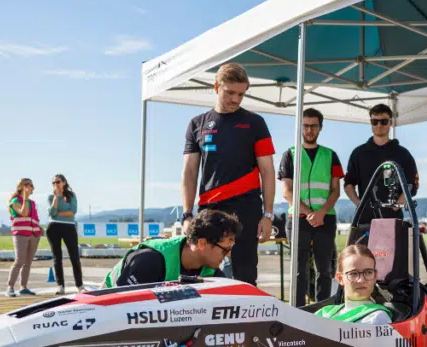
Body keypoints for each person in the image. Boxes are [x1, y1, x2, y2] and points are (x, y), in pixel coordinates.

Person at [182, 63, 275, 286]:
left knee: (244, 274)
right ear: (216, 87)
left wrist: (268, 215)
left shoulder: (255, 123)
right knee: (202, 274)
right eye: (230, 92)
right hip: (209, 210)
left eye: (241, 94)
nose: (236, 99)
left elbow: (268, 171)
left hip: (246, 207)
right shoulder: (197, 124)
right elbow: (190, 171)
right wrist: (187, 214)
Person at [278, 108, 343, 307]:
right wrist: (310, 213)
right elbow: (287, 192)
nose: (309, 130)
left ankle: (323, 309)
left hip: (326, 218)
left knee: (325, 269)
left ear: (320, 128)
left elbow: (335, 191)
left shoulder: (331, 155)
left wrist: (321, 213)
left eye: (314, 126)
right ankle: (297, 311)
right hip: (298, 219)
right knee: (299, 270)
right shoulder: (289, 155)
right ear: (300, 127)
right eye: (305, 126)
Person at [101, 210, 241, 287]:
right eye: (225, 249)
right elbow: (122, 307)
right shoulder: (150, 260)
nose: (228, 255)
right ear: (202, 244)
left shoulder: (211, 270)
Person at [343, 104, 418, 227]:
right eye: (375, 121)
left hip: (393, 221)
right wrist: (359, 204)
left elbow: (411, 185)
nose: (379, 125)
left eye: (383, 121)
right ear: (371, 123)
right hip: (365, 221)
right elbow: (348, 183)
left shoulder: (403, 154)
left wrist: (395, 207)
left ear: (391, 123)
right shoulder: (359, 153)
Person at [315, 245, 393, 324]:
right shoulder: (323, 313)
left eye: (368, 272)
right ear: (340, 278)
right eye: (354, 273)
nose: (361, 280)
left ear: (375, 276)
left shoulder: (377, 317)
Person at [46, 174, 85, 295]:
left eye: (57, 182)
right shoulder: (51, 197)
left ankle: (79, 285)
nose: (55, 185)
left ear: (63, 182)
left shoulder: (71, 196)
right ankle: (60, 286)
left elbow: (72, 212)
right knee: (57, 258)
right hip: (53, 227)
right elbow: (52, 213)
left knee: (74, 257)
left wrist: (58, 213)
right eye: (53, 183)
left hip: (69, 227)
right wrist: (56, 198)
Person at [6, 178, 41, 297]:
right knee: (19, 261)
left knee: (28, 262)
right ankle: (10, 287)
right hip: (20, 234)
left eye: (31, 185)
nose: (29, 187)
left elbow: (35, 218)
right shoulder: (15, 201)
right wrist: (25, 198)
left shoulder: (33, 203)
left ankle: (23, 287)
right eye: (27, 184)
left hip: (34, 235)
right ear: (20, 186)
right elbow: (24, 213)